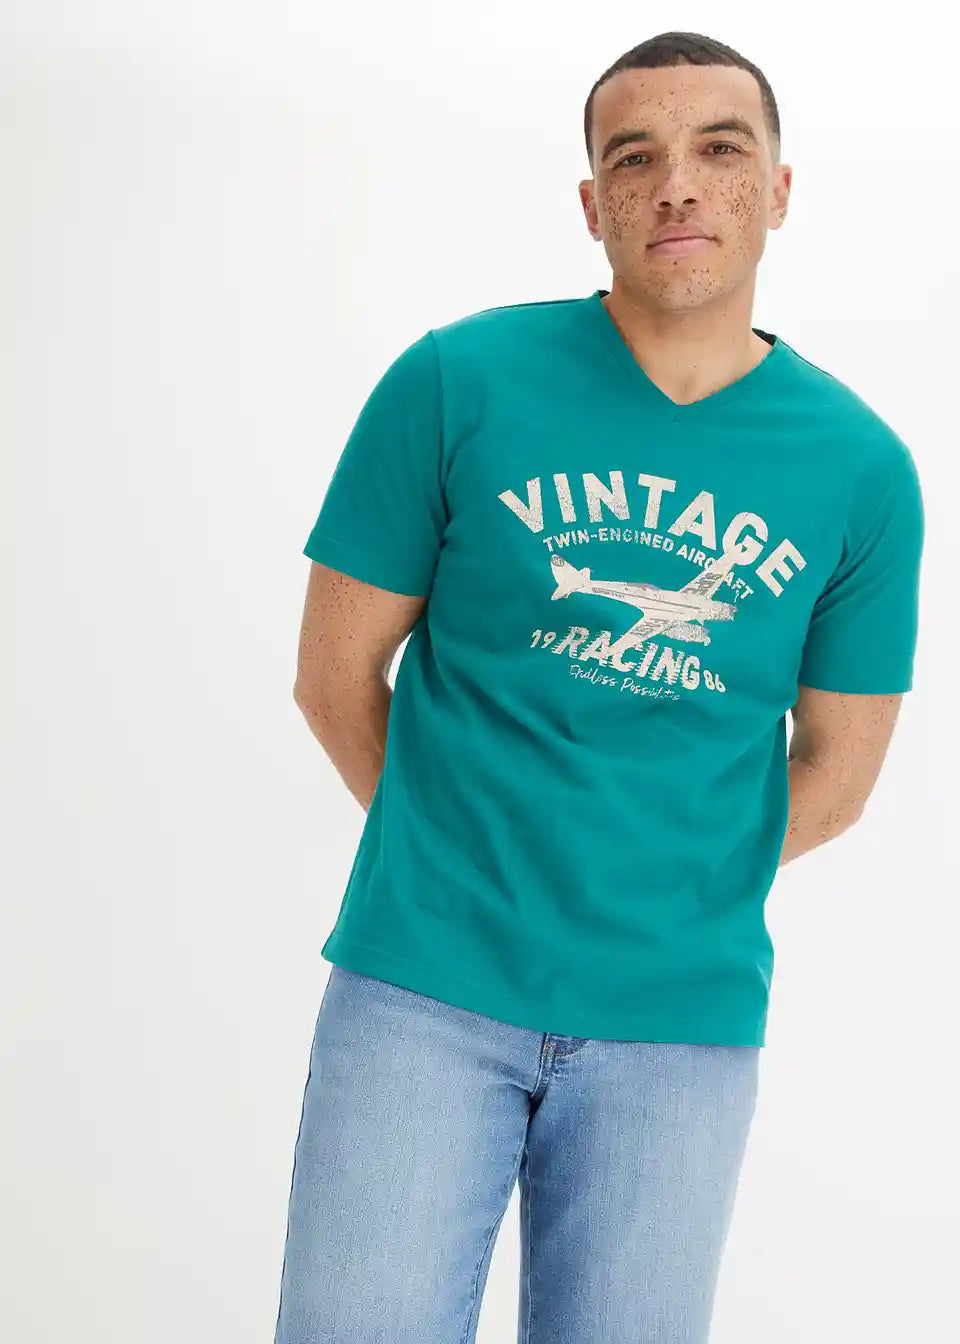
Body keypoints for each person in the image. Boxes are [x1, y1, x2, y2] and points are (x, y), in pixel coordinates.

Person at [275, 30, 924, 1344]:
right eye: (636, 158)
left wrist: (659, 881)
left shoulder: (863, 470)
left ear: (778, 190)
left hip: (679, 1023)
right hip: (420, 992)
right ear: (593, 204)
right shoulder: (455, 382)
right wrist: (462, 853)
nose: (677, 183)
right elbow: (333, 677)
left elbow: (840, 775)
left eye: (719, 149)